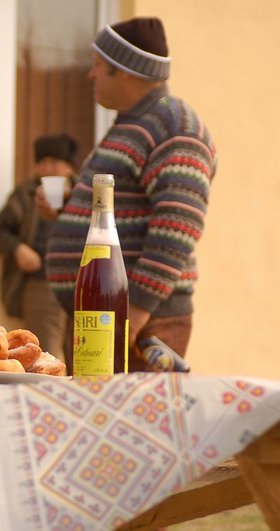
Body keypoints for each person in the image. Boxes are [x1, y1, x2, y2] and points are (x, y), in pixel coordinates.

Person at [43, 17, 217, 371]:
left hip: (136, 323)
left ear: (123, 70)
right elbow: (125, 207)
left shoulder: (174, 126)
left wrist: (135, 309)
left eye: (97, 65)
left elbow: (178, 224)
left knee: (132, 411)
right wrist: (68, 210)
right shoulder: (134, 123)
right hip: (102, 318)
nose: (90, 74)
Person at [0, 133, 78, 360]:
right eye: (42, 162)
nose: (48, 168)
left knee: (83, 354)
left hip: (81, 283)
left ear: (69, 167)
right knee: (45, 355)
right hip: (42, 283)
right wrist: (18, 249)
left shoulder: (86, 195)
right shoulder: (25, 194)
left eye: (55, 162)